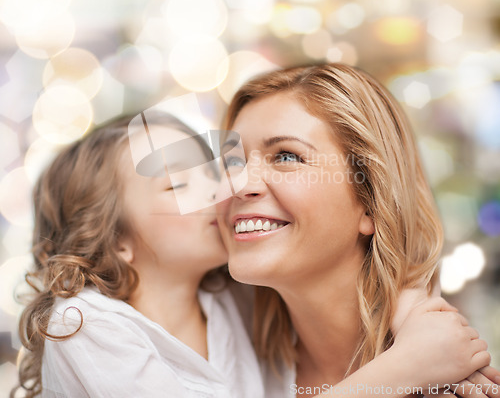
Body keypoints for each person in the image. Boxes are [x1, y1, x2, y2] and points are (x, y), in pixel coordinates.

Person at [11, 104, 495, 398]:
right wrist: (407, 367)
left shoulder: (232, 296)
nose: (225, 190)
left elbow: (344, 268)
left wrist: (411, 310)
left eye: (215, 170)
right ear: (116, 239)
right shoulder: (85, 326)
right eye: (178, 184)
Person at [215, 62, 500, 397]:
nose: (238, 184)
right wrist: (403, 368)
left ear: (371, 202)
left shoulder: (453, 382)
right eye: (232, 162)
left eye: (287, 156)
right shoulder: (219, 353)